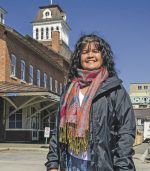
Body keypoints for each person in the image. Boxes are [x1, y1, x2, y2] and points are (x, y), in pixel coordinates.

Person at [45, 34, 136, 171]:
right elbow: (57, 130)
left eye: (95, 51)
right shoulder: (69, 90)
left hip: (103, 166)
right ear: (79, 57)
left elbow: (126, 132)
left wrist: (122, 167)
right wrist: (53, 163)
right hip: (70, 163)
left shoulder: (115, 89)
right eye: (85, 52)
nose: (90, 56)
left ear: (103, 56)